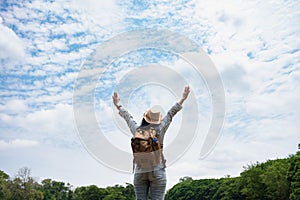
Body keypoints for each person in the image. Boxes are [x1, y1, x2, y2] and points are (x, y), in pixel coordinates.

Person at [112, 86, 190, 200]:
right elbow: (170, 114)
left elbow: (128, 117)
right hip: (157, 171)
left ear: (144, 119)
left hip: (140, 172)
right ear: (157, 120)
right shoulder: (160, 128)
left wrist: (118, 105)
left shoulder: (137, 130)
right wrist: (183, 98)